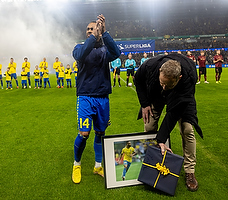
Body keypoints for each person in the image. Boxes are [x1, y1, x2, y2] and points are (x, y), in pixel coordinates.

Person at [134, 53, 203, 192]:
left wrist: (161, 138)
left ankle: (190, 171)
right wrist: (145, 103)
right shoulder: (150, 65)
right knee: (149, 125)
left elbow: (173, 113)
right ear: (160, 71)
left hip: (180, 97)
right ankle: (152, 162)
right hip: (155, 94)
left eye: (168, 84)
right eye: (162, 82)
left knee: (187, 129)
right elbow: (138, 80)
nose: (164, 87)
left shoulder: (189, 77)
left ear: (179, 78)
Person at [71, 14, 121, 184]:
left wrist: (104, 34)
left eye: (93, 28)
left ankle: (98, 165)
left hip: (102, 98)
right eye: (88, 29)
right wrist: (94, 37)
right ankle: (76, 164)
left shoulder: (105, 51)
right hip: (85, 97)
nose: (90, 31)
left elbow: (117, 52)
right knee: (84, 133)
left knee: (100, 132)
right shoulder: (79, 48)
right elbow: (82, 54)